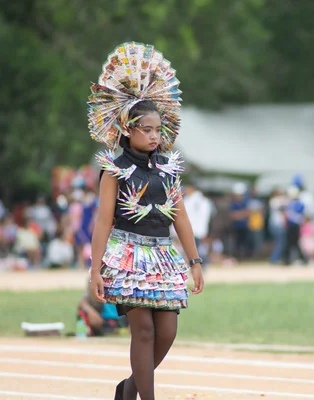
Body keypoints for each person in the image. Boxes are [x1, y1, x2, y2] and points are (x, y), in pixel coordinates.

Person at [88, 42, 204, 400]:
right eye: (147, 129)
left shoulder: (169, 169)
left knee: (166, 331)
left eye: (158, 129)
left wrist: (195, 261)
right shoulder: (115, 170)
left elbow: (180, 218)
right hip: (126, 256)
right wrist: (95, 269)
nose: (155, 135)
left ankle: (128, 388)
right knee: (143, 331)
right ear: (127, 129)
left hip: (164, 259)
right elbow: (103, 221)